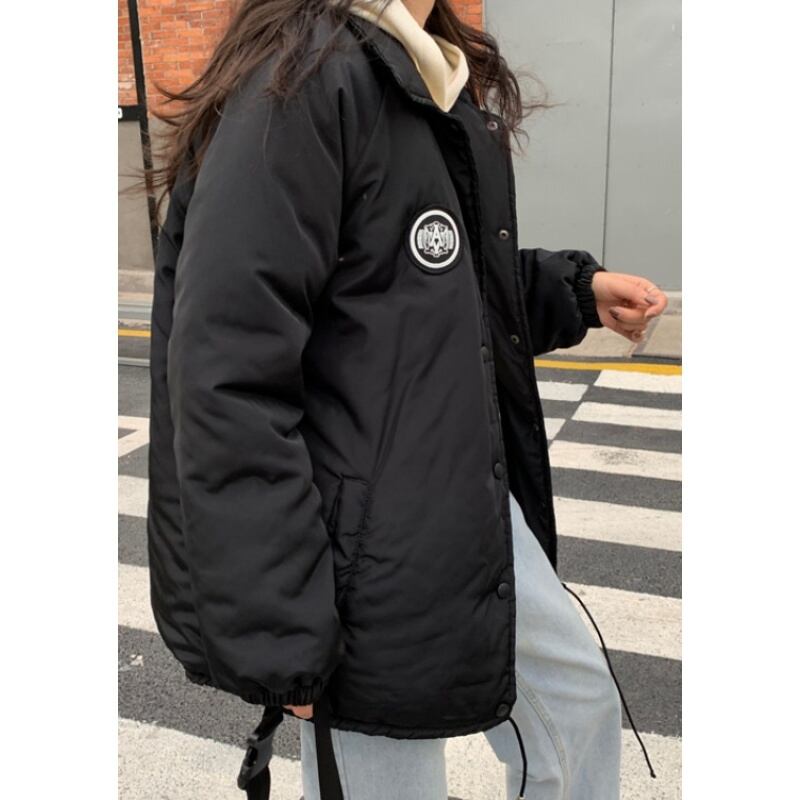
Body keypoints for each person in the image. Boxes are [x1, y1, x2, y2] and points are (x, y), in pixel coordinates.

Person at [145, 1, 668, 798]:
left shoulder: (422, 70)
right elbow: (228, 374)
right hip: (351, 550)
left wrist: (571, 291)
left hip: (460, 505)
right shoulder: (302, 80)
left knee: (576, 707)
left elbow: (422, 286)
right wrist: (283, 632)